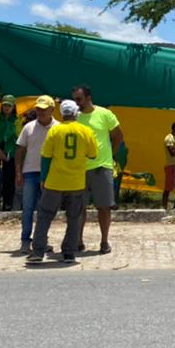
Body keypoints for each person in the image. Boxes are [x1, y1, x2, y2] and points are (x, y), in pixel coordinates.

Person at [27, 99, 98, 265]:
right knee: (74, 218)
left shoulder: (54, 131)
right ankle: (69, 253)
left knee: (45, 216)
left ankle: (38, 251)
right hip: (76, 182)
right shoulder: (86, 131)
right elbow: (93, 154)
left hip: (55, 182)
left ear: (62, 114)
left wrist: (43, 178)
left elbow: (45, 157)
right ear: (76, 114)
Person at [72, 84, 124, 254]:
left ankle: (104, 241)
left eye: (78, 99)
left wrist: (110, 155)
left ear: (88, 98)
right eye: (74, 100)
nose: (76, 103)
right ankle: (78, 241)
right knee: (79, 207)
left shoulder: (104, 114)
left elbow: (118, 135)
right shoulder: (74, 117)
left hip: (101, 167)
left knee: (104, 207)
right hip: (79, 169)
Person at [14, 95, 55, 251]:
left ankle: (41, 240)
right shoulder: (28, 127)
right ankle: (25, 240)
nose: (40, 112)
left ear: (52, 109)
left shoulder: (57, 128)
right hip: (30, 173)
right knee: (28, 208)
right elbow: (20, 150)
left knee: (45, 210)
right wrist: (18, 172)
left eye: (44, 109)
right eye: (38, 109)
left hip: (50, 174)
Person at [163, 120, 175, 210]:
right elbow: (171, 151)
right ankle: (164, 206)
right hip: (170, 165)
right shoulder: (169, 138)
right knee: (168, 187)